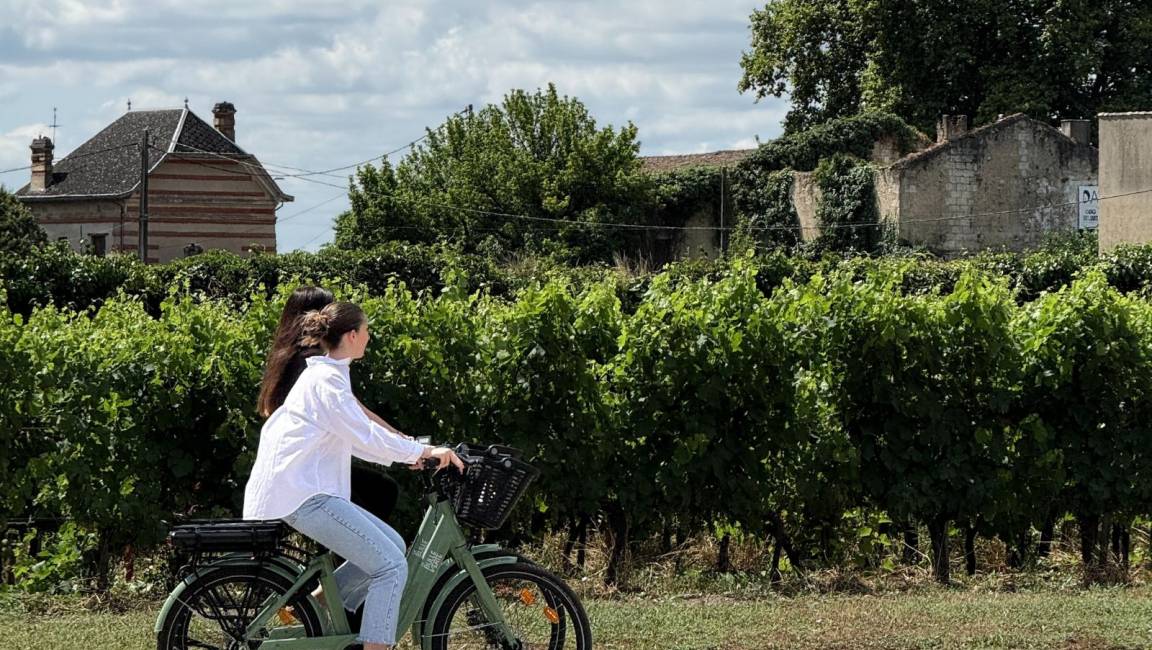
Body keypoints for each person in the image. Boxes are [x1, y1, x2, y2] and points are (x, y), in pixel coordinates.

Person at [244, 301, 464, 650]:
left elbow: (356, 438)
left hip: (304, 491)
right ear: (351, 335)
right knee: (390, 567)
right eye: (366, 331)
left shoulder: (329, 376)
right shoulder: (326, 381)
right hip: (304, 495)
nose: (369, 337)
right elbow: (364, 434)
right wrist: (420, 452)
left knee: (393, 546)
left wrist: (408, 454)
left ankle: (315, 608)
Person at [257, 286, 402, 522]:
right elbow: (356, 412)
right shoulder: (316, 364)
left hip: (296, 467)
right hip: (306, 475)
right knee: (381, 492)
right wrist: (402, 440)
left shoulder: (287, 356)